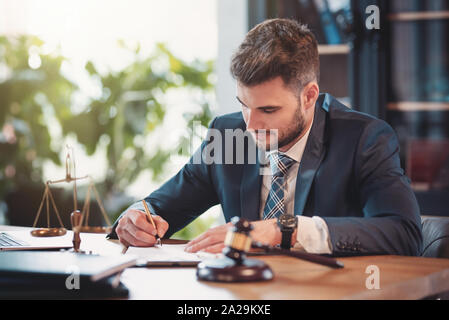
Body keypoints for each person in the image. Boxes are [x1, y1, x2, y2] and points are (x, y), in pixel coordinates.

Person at [108, 18, 422, 256]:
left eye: (268, 110)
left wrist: (284, 230)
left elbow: (404, 233)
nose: (251, 125)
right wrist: (136, 218)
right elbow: (159, 207)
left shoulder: (363, 139)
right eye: (244, 106)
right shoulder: (228, 134)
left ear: (309, 96)